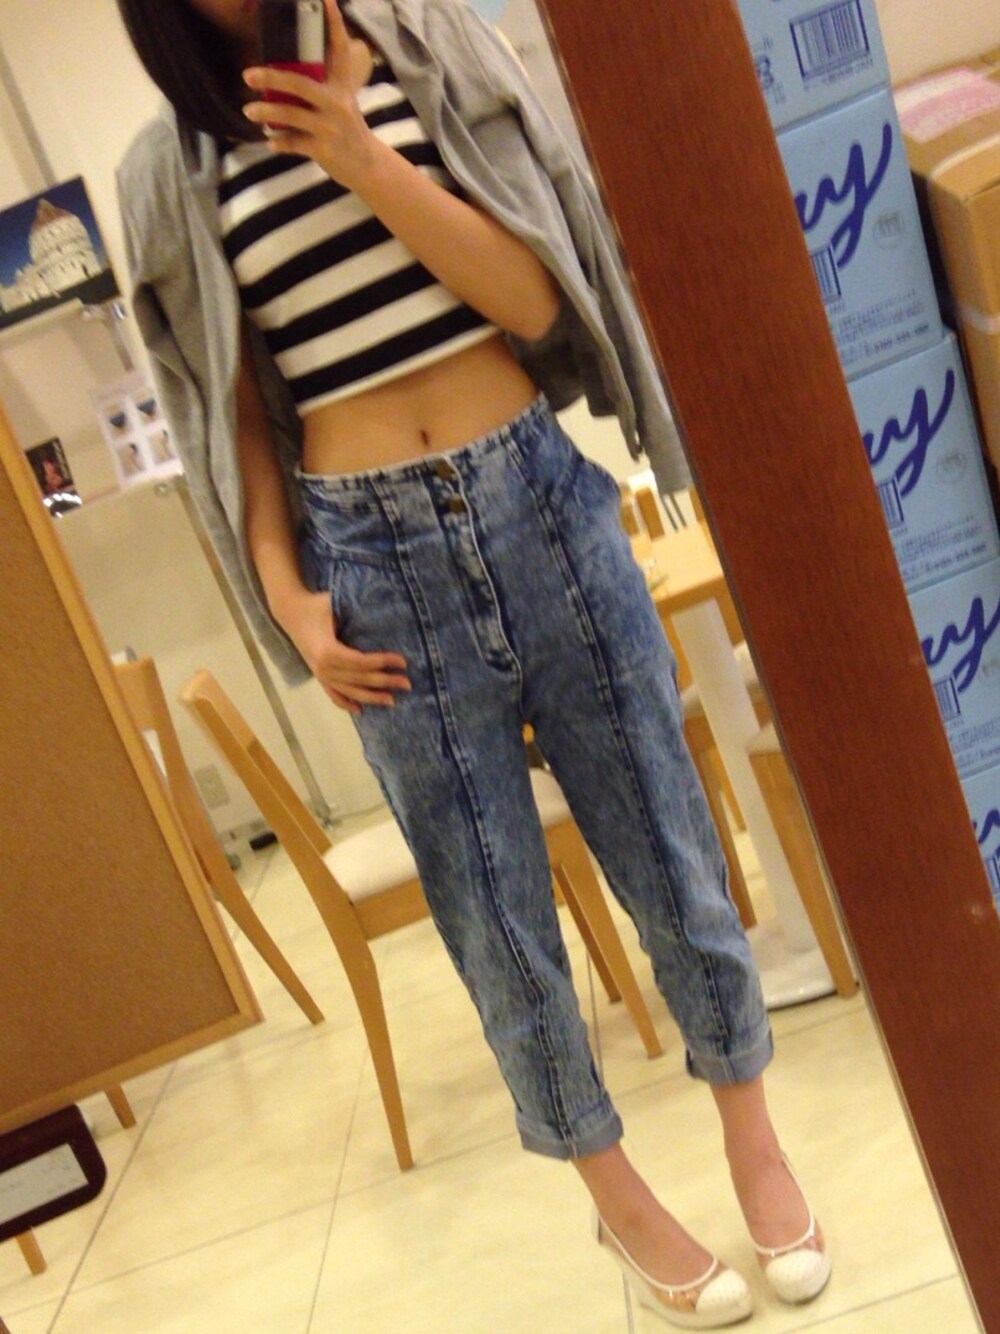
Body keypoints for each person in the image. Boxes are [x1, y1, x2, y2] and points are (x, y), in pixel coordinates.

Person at [115, 0, 831, 1323]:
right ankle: (616, 1195)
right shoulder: (173, 168)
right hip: (371, 565)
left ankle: (755, 1139)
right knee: (495, 915)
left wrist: (359, 153)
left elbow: (536, 300)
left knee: (669, 842)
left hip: (540, 504)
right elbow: (235, 419)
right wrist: (287, 601)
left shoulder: (428, 44)